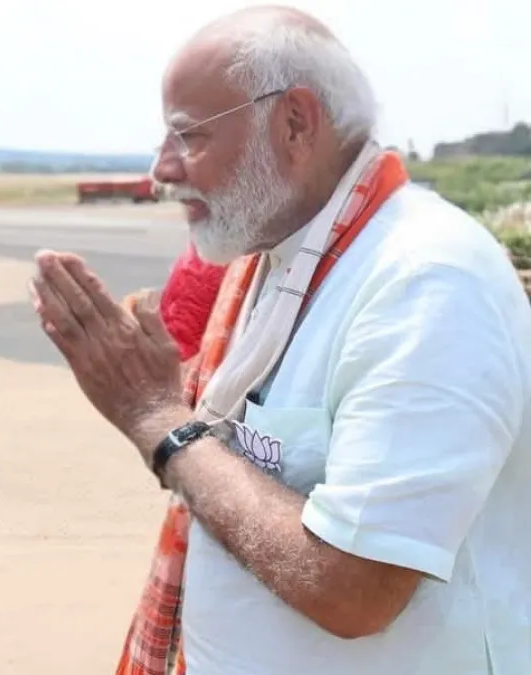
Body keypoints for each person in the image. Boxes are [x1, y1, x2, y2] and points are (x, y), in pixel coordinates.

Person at [30, 6, 531, 675]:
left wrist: (160, 421)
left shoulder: (424, 279)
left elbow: (352, 586)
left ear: (295, 122)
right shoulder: (282, 261)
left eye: (188, 136)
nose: (162, 169)